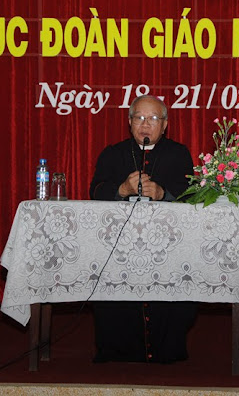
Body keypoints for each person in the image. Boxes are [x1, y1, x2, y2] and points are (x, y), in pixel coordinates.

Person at [88, 95, 197, 363]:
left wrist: (163, 193)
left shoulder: (179, 153)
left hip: (167, 248)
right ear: (129, 122)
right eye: (139, 117)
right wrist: (121, 189)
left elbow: (191, 194)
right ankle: (117, 349)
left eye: (153, 118)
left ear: (165, 124)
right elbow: (95, 190)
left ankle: (167, 347)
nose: (145, 124)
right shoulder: (113, 153)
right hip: (119, 248)